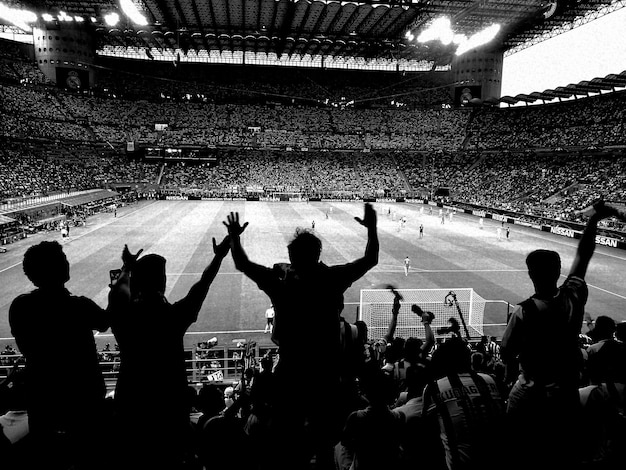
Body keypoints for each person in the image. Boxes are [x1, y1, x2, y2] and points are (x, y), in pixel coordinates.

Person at [223, 203, 379, 470]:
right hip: (326, 373)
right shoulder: (332, 278)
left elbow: (242, 264)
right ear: (318, 254)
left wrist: (235, 238)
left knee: (290, 436)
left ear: (291, 257)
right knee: (325, 439)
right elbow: (370, 259)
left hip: (291, 370)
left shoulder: (280, 282)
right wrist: (372, 229)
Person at [500, 201, 620, 469]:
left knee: (517, 443)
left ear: (530, 274)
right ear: (558, 272)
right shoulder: (574, 297)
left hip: (532, 391)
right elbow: (583, 257)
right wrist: (593, 221)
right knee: (564, 448)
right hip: (566, 390)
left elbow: (507, 353)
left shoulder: (523, 311)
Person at [108, 235, 231, 469]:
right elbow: (203, 284)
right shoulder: (173, 316)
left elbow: (117, 294)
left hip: (131, 405)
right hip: (170, 410)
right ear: (162, 283)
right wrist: (218, 256)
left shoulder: (123, 315)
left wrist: (126, 269)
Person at [9, 241, 109, 470]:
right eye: (63, 260)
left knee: (47, 460)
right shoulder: (78, 306)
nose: (68, 263)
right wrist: (121, 285)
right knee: (87, 457)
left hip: (42, 397)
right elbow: (105, 321)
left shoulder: (20, 306)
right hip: (83, 398)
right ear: (55, 268)